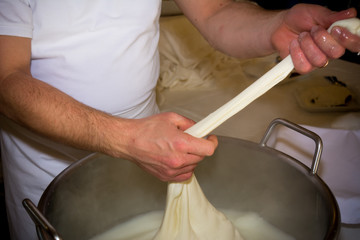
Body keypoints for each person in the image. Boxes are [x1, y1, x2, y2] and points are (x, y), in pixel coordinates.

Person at [0, 0, 359, 239]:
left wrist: (276, 24)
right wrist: (125, 139)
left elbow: (215, 12)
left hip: (155, 158)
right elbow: (5, 81)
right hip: (46, 168)